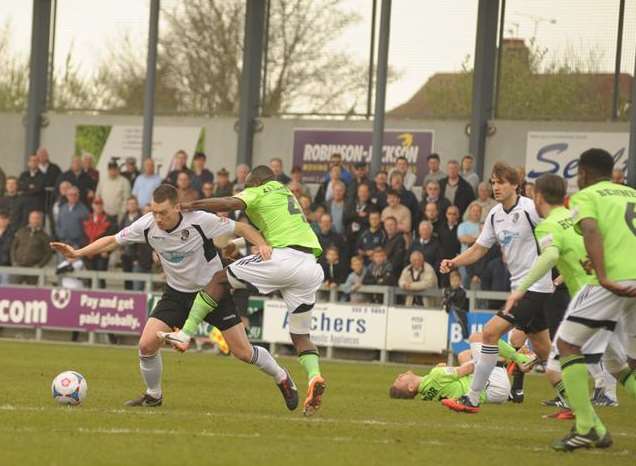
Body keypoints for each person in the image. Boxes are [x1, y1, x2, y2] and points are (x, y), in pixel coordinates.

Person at [51, 183, 297, 410]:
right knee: (146, 345)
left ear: (177, 207)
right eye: (155, 211)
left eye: (164, 212)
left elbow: (241, 227)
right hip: (177, 294)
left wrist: (262, 244)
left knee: (243, 352)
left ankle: (281, 376)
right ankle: (153, 394)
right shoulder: (147, 225)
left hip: (213, 293)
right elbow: (112, 241)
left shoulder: (200, 221)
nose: (158, 217)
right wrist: (77, 253)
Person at [159, 166, 327, 416]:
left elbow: (229, 202)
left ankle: (185, 333)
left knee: (219, 278)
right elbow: (274, 234)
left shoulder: (259, 191)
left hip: (283, 259)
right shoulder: (284, 192)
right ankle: (314, 376)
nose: (246, 190)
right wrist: (238, 245)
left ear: (258, 182)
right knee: (300, 336)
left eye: (248, 185)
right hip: (310, 266)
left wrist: (192, 204)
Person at [540, 149, 635, 451]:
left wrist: (604, 275)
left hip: (613, 282)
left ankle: (585, 428)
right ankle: (591, 426)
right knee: (631, 363)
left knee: (567, 345)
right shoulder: (630, 193)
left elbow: (591, 229)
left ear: (583, 173)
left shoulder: (586, 196)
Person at [440, 161, 553, 414]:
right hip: (521, 289)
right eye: (493, 182)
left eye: (501, 182)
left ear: (516, 185)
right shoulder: (494, 215)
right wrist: (454, 262)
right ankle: (571, 397)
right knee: (544, 347)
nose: (496, 187)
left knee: (490, 334)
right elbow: (479, 249)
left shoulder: (530, 209)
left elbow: (555, 233)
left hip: (535, 287)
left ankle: (472, 397)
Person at [390, 333, 533, 403]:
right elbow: (471, 368)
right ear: (410, 388)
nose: (399, 375)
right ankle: (519, 359)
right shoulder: (436, 375)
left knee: (464, 355)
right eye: (399, 380)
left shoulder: (426, 396)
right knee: (480, 336)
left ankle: (511, 366)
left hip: (493, 395)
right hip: (494, 387)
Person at [83, 198, 117, 289]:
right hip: (89, 252)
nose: (98, 207)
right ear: (93, 206)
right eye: (96, 204)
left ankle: (101, 295)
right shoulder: (87, 218)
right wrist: (85, 249)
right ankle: (90, 296)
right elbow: (83, 235)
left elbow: (112, 237)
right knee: (90, 277)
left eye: (100, 205)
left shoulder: (109, 219)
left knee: (101, 277)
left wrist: (107, 251)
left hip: (102, 252)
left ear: (102, 206)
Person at [11, 211, 52, 284]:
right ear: (29, 219)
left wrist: (39, 266)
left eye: (37, 218)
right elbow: (13, 247)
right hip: (19, 266)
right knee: (13, 290)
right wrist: (14, 261)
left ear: (41, 220)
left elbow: (48, 253)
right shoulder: (21, 231)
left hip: (33, 269)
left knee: (32, 293)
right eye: (33, 218)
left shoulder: (44, 236)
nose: (35, 220)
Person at [119, 197, 144, 290]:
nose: (131, 206)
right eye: (129, 204)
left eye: (133, 204)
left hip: (138, 254)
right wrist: (121, 249)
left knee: (136, 280)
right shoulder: (124, 218)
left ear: (137, 205)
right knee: (127, 279)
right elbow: (119, 233)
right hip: (126, 253)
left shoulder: (141, 218)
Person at [457, 202, 482, 287]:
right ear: (469, 212)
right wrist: (479, 239)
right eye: (473, 210)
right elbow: (463, 239)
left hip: (480, 262)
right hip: (465, 260)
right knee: (464, 284)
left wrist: (472, 239)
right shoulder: (463, 226)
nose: (476, 213)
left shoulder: (484, 226)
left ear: (481, 213)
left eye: (478, 211)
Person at [18, 154, 46, 224]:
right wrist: (30, 187)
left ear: (38, 163)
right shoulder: (23, 174)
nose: (33, 162)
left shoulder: (43, 175)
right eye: (31, 160)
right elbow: (20, 186)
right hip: (24, 206)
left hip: (36, 206)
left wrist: (27, 188)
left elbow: (38, 189)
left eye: (35, 160)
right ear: (28, 163)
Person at [443, 270, 469, 338]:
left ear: (460, 281)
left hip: (459, 310)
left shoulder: (462, 291)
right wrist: (449, 298)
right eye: (453, 280)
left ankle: (465, 335)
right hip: (448, 311)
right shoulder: (447, 290)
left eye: (456, 280)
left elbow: (460, 302)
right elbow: (445, 301)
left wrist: (451, 297)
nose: (454, 283)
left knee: (460, 317)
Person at [0, 210, 15, 285]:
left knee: (5, 288)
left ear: (8, 221)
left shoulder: (12, 234)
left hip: (6, 265)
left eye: (5, 219)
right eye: (1, 218)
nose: (3, 221)